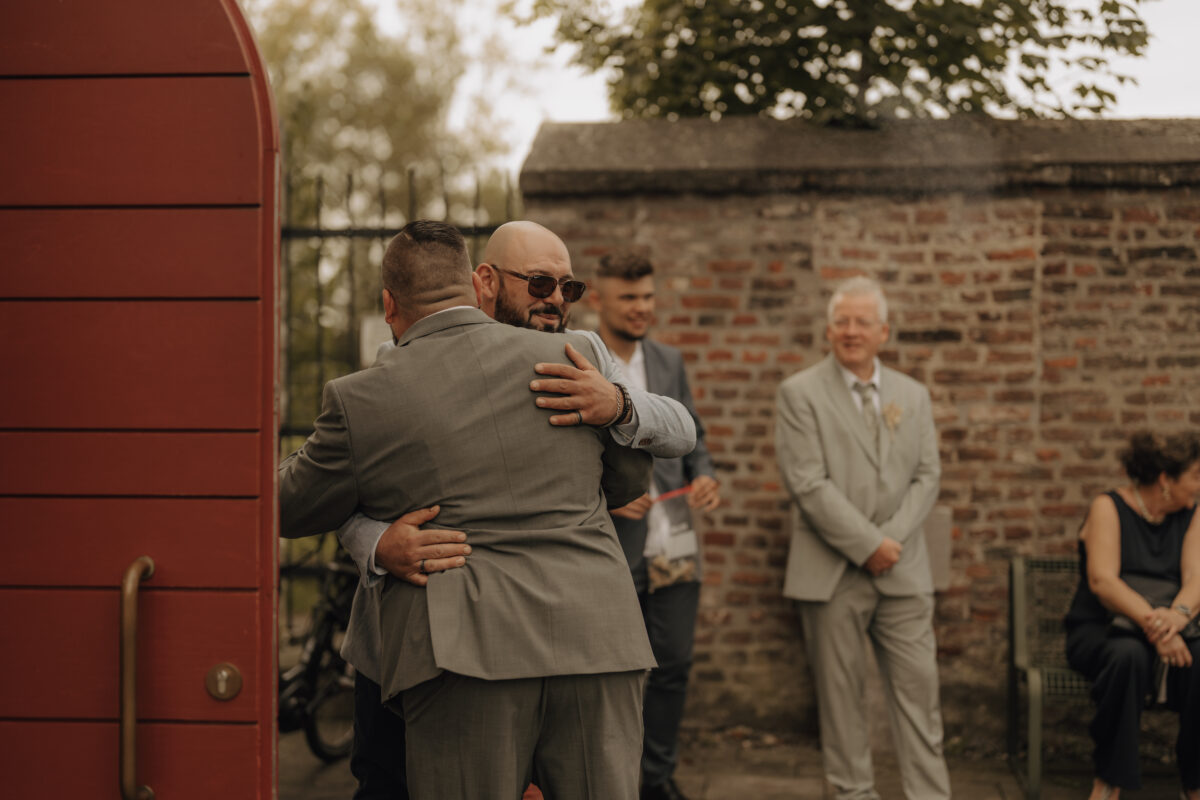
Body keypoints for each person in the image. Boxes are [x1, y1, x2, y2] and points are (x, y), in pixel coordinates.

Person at [280, 220, 658, 799]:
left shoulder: (361, 397)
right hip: (597, 634)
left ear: (389, 305)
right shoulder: (573, 355)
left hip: (466, 651)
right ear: (472, 285)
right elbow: (629, 478)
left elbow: (284, 506)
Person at [774, 276, 950, 800]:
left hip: (904, 570)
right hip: (831, 574)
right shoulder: (798, 393)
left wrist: (889, 542)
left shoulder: (912, 395)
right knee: (841, 705)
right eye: (842, 321)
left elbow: (928, 476)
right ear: (829, 329)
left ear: (883, 331)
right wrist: (867, 545)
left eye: (862, 322)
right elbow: (807, 482)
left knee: (921, 700)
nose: (851, 331)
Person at [586, 252, 719, 800]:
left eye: (647, 297)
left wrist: (705, 476)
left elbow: (695, 435)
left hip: (675, 538)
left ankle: (656, 780)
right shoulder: (579, 361)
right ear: (598, 299)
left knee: (675, 663)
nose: (642, 309)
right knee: (611, 675)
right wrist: (607, 502)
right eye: (629, 298)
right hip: (611, 545)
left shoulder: (669, 360)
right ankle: (609, 782)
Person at [1064, 431, 1200, 800]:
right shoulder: (1108, 507)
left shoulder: (1194, 513)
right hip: (1104, 627)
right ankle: (1109, 781)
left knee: (1199, 660)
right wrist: (1160, 628)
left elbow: (1195, 577)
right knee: (1128, 657)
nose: (1199, 485)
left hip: (1170, 626)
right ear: (1165, 480)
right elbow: (1103, 581)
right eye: (1195, 475)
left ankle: (1195, 783)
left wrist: (1178, 617)